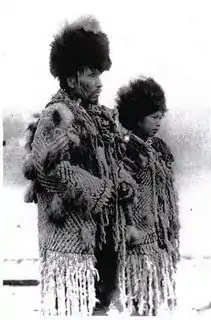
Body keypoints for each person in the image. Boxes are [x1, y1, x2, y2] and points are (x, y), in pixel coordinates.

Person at [23, 15, 136, 316]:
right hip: (72, 238)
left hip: (106, 238)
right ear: (72, 78)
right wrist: (98, 190)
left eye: (100, 75)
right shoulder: (57, 115)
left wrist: (123, 180)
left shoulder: (101, 117)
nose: (99, 83)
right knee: (74, 306)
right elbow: (47, 170)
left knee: (103, 305)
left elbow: (115, 161)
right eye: (92, 75)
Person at [114, 77, 180, 316]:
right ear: (136, 116)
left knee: (152, 302)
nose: (159, 122)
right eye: (154, 117)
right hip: (137, 243)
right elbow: (122, 193)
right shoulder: (126, 150)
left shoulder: (158, 148)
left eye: (161, 116)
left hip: (157, 240)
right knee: (138, 302)